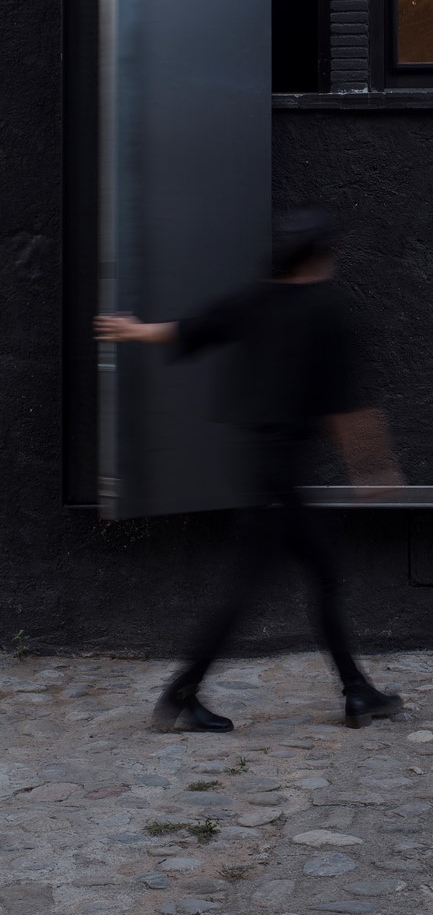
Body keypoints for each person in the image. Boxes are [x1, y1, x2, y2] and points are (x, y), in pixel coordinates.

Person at [94, 208, 405, 731]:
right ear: (320, 256)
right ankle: (181, 695)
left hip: (265, 467)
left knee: (319, 573)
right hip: (281, 476)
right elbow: (344, 402)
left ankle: (357, 691)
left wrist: (133, 330)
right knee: (250, 587)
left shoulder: (255, 299)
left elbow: (192, 328)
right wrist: (372, 470)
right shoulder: (328, 310)